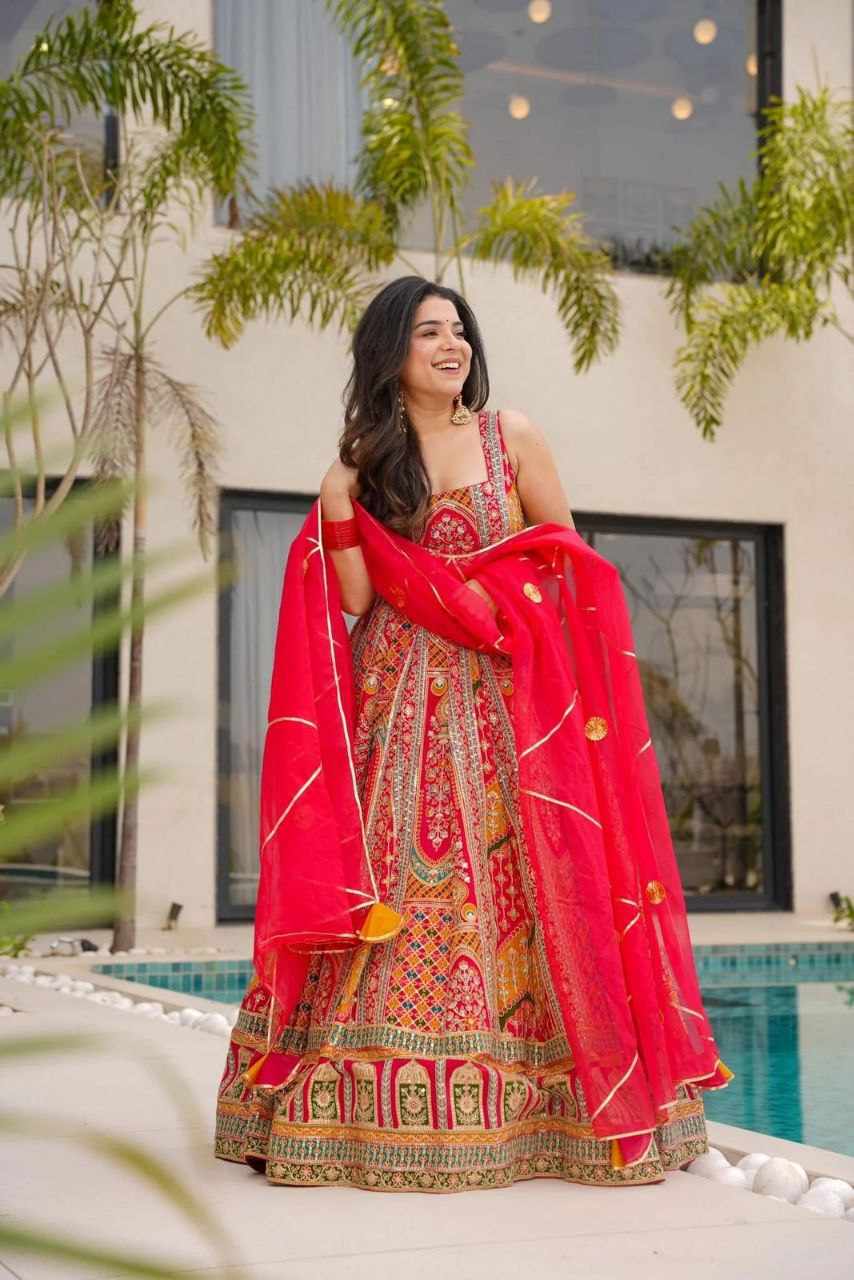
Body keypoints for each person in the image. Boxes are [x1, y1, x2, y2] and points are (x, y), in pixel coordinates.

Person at [214, 275, 734, 1193]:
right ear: (391, 353)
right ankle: (356, 1111)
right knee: (395, 879)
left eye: (459, 330)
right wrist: (337, 502)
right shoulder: (367, 466)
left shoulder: (512, 437)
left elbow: (566, 562)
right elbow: (359, 600)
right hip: (396, 705)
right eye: (429, 332)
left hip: (509, 704)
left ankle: (556, 1115)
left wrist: (496, 604)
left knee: (532, 882)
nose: (451, 345)